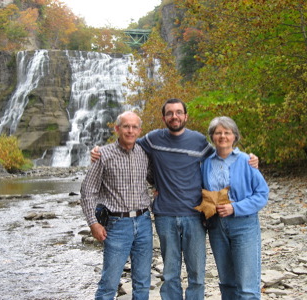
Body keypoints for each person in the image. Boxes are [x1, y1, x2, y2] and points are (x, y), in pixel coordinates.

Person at [92, 99, 259, 299]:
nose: (175, 116)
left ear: (186, 116)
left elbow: (222, 154)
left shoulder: (198, 141)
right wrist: (98, 151)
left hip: (195, 215)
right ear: (164, 118)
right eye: (170, 113)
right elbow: (127, 141)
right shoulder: (153, 139)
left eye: (179, 112)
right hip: (165, 216)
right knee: (170, 274)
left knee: (196, 273)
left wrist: (249, 158)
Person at [80, 111, 153, 300]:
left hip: (144, 222)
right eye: (126, 126)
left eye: (134, 127)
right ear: (117, 129)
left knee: (143, 282)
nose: (130, 130)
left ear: (139, 130)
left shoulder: (145, 153)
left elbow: (158, 177)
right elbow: (88, 190)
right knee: (109, 283)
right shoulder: (102, 154)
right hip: (116, 225)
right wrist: (93, 223)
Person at [201, 116, 269, 300]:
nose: (222, 136)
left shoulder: (247, 161)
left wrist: (235, 208)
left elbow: (262, 194)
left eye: (227, 132)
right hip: (217, 227)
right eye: (218, 133)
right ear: (212, 137)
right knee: (227, 283)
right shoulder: (206, 163)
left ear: (234, 136)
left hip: (244, 225)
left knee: (247, 286)